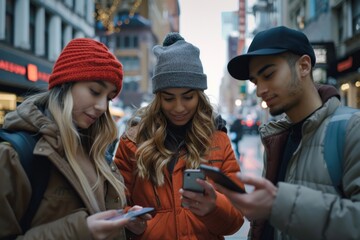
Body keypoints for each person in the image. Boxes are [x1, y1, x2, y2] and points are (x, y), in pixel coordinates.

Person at [0, 38, 151, 239]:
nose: (102, 106)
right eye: (95, 91)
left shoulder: (100, 154)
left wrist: (124, 224)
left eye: (108, 97)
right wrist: (82, 230)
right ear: (65, 85)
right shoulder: (15, 155)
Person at [222, 26, 360, 240]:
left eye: (268, 74)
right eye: (256, 81)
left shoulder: (352, 129)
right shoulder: (276, 138)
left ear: (304, 66)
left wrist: (280, 205)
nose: (260, 90)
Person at [114, 32, 245, 239]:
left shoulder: (218, 141)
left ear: (199, 95)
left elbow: (236, 220)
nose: (178, 107)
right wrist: (131, 221)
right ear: (158, 98)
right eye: (168, 98)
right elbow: (115, 207)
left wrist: (214, 206)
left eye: (188, 97)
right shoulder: (131, 142)